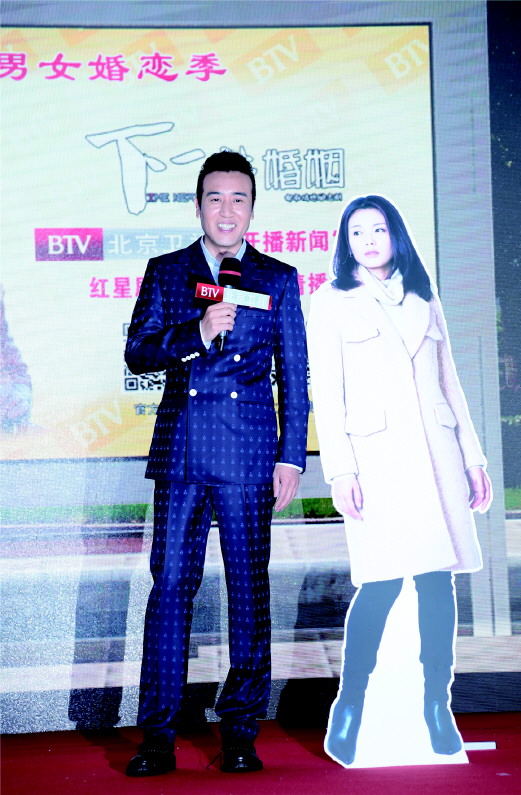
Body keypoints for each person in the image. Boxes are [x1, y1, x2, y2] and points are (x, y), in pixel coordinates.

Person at [124, 151, 309, 776]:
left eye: (238, 199)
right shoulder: (167, 271)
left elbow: (295, 374)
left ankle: (240, 732)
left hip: (249, 455)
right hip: (182, 453)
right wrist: (197, 333)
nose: (226, 211)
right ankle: (157, 735)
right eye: (214, 198)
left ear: (252, 208)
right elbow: (138, 352)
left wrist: (292, 457)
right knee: (170, 589)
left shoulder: (278, 278)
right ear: (198, 205)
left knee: (248, 593)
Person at [307, 195, 492, 766]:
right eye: (356, 232)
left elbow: (450, 382)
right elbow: (326, 396)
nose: (368, 241)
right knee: (381, 583)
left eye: (378, 230)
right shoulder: (331, 301)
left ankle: (437, 704)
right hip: (377, 460)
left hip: (437, 457)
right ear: (346, 242)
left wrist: (473, 458)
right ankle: (350, 705)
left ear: (396, 236)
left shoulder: (423, 296)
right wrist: (341, 470)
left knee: (437, 580)